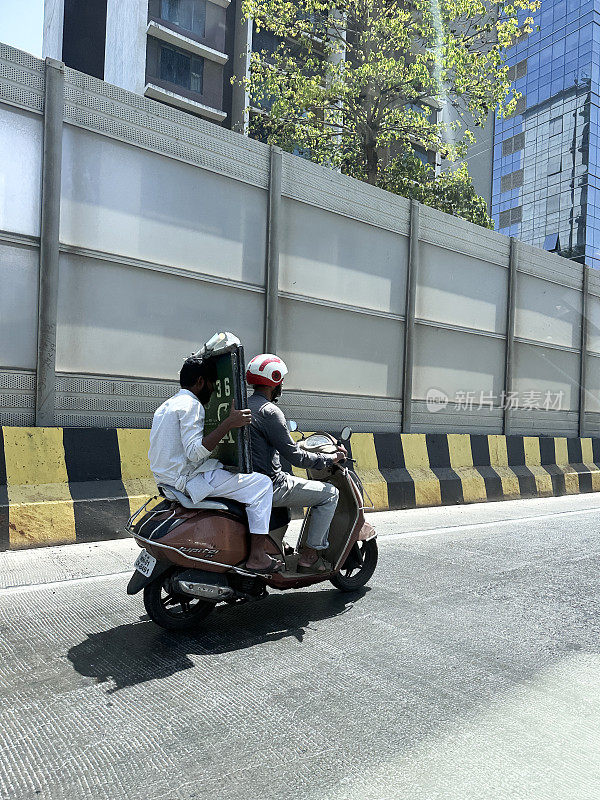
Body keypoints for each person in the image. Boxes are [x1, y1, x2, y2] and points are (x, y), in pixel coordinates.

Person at [148, 356, 283, 574]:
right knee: (262, 485)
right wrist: (229, 423)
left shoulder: (167, 405)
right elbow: (194, 453)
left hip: (167, 479)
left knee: (220, 468)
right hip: (187, 480)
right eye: (211, 385)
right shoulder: (192, 405)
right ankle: (257, 557)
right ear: (201, 381)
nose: (212, 391)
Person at [246, 354, 345, 573]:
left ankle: (276, 544)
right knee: (330, 494)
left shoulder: (241, 407)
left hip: (245, 483)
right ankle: (310, 556)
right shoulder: (269, 412)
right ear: (275, 381)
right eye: (280, 381)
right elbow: (296, 457)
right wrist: (331, 458)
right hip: (270, 485)